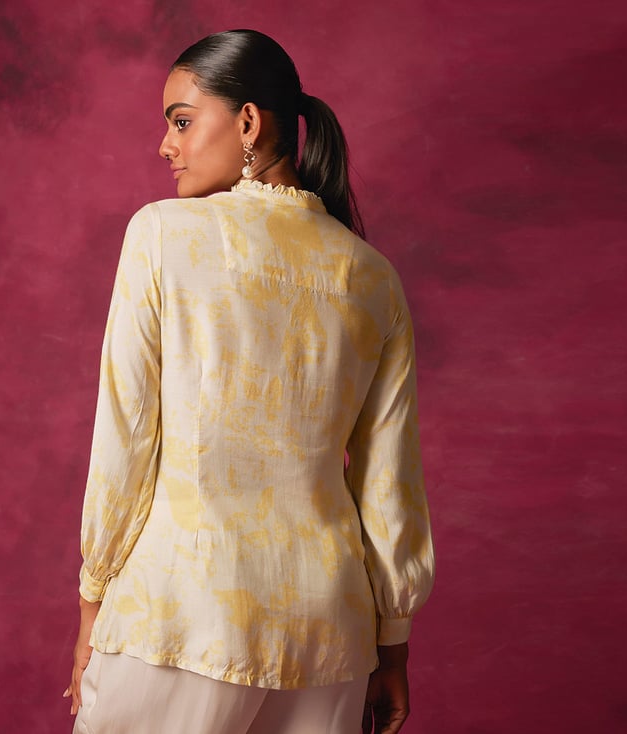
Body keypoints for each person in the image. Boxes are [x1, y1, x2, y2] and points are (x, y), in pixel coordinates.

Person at [64, 29, 435, 734]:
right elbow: (390, 484)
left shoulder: (162, 235)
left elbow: (126, 440)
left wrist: (93, 604)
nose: (165, 146)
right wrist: (392, 646)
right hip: (331, 634)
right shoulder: (372, 277)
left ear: (248, 123)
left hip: (180, 615)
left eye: (181, 121)